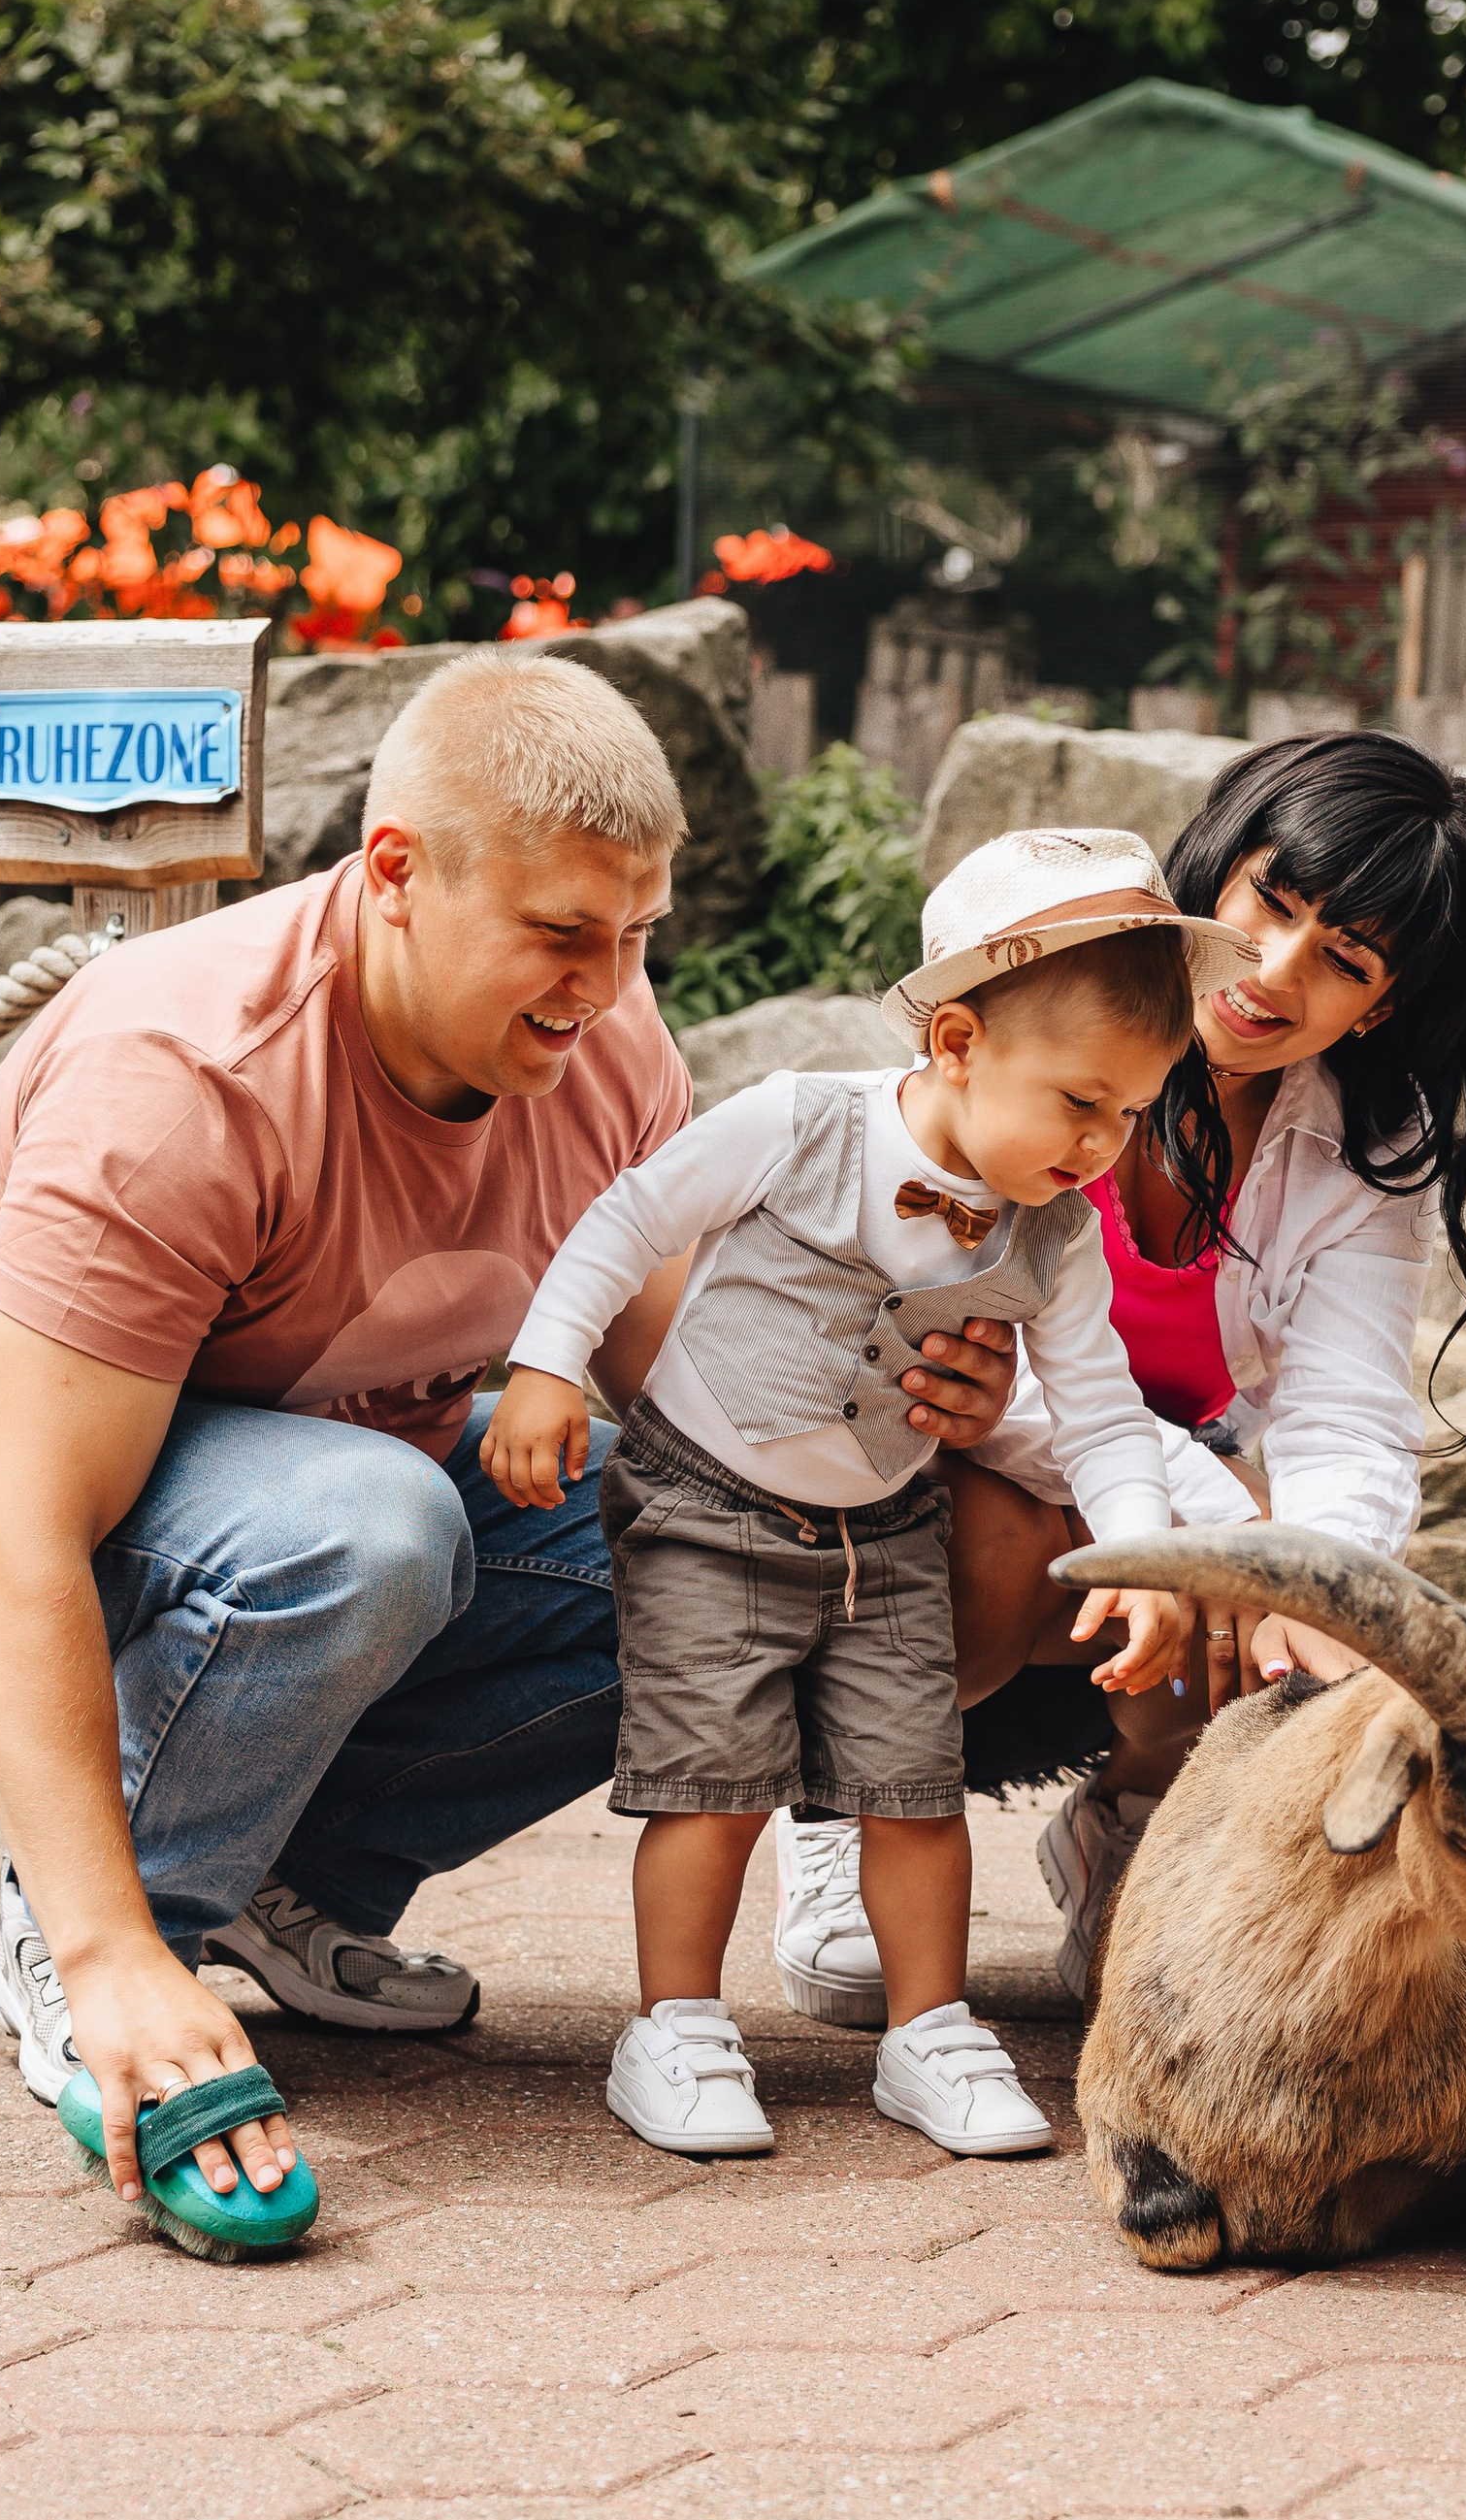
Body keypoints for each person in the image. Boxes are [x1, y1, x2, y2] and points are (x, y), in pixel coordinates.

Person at [0, 652, 1018, 2226]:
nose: (605, 984)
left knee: (711, 1558)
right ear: (395, 875)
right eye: (562, 935)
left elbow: (708, 1410)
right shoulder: (186, 1079)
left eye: (636, 934)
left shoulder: (606, 1044)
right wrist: (110, 1952)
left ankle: (280, 1893)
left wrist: (929, 1412)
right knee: (373, 1529)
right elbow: (16, 1535)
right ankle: (93, 1931)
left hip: (302, 1506)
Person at [479, 828, 1239, 2158]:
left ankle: (929, 2028)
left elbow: (1104, 1412)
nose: (1102, 1147)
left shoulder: (1051, 1236)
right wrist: (547, 1366)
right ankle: (674, 2023)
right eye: (1078, 1102)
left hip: (885, 1529)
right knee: (706, 1782)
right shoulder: (800, 1121)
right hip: (709, 1501)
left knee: (911, 1787)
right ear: (955, 1042)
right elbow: (629, 1220)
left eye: (1129, 1114)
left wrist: (1141, 1551)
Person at [769, 729, 1466, 2014]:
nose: (1276, 974)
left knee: (1320, 1613)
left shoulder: (1358, 1144)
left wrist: (1306, 1591)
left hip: (1146, 1501)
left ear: (1377, 1006)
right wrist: (1231, 1537)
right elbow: (983, 1384)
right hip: (939, 1466)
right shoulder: (1049, 1020)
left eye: (1342, 960)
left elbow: (1348, 1422)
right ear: (1215, 871)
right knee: (1004, 1549)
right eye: (1271, 905)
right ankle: (841, 1808)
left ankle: (1133, 1829)